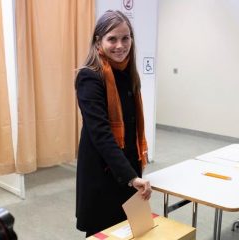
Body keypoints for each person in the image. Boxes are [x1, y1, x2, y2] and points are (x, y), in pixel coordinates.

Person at [75, 10, 152, 237]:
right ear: (98, 41)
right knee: (102, 232)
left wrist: (133, 173)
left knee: (128, 231)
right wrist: (131, 176)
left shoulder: (128, 74)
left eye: (125, 38)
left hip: (127, 168)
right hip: (102, 173)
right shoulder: (90, 77)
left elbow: (131, 129)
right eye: (112, 39)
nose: (120, 45)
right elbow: (101, 134)